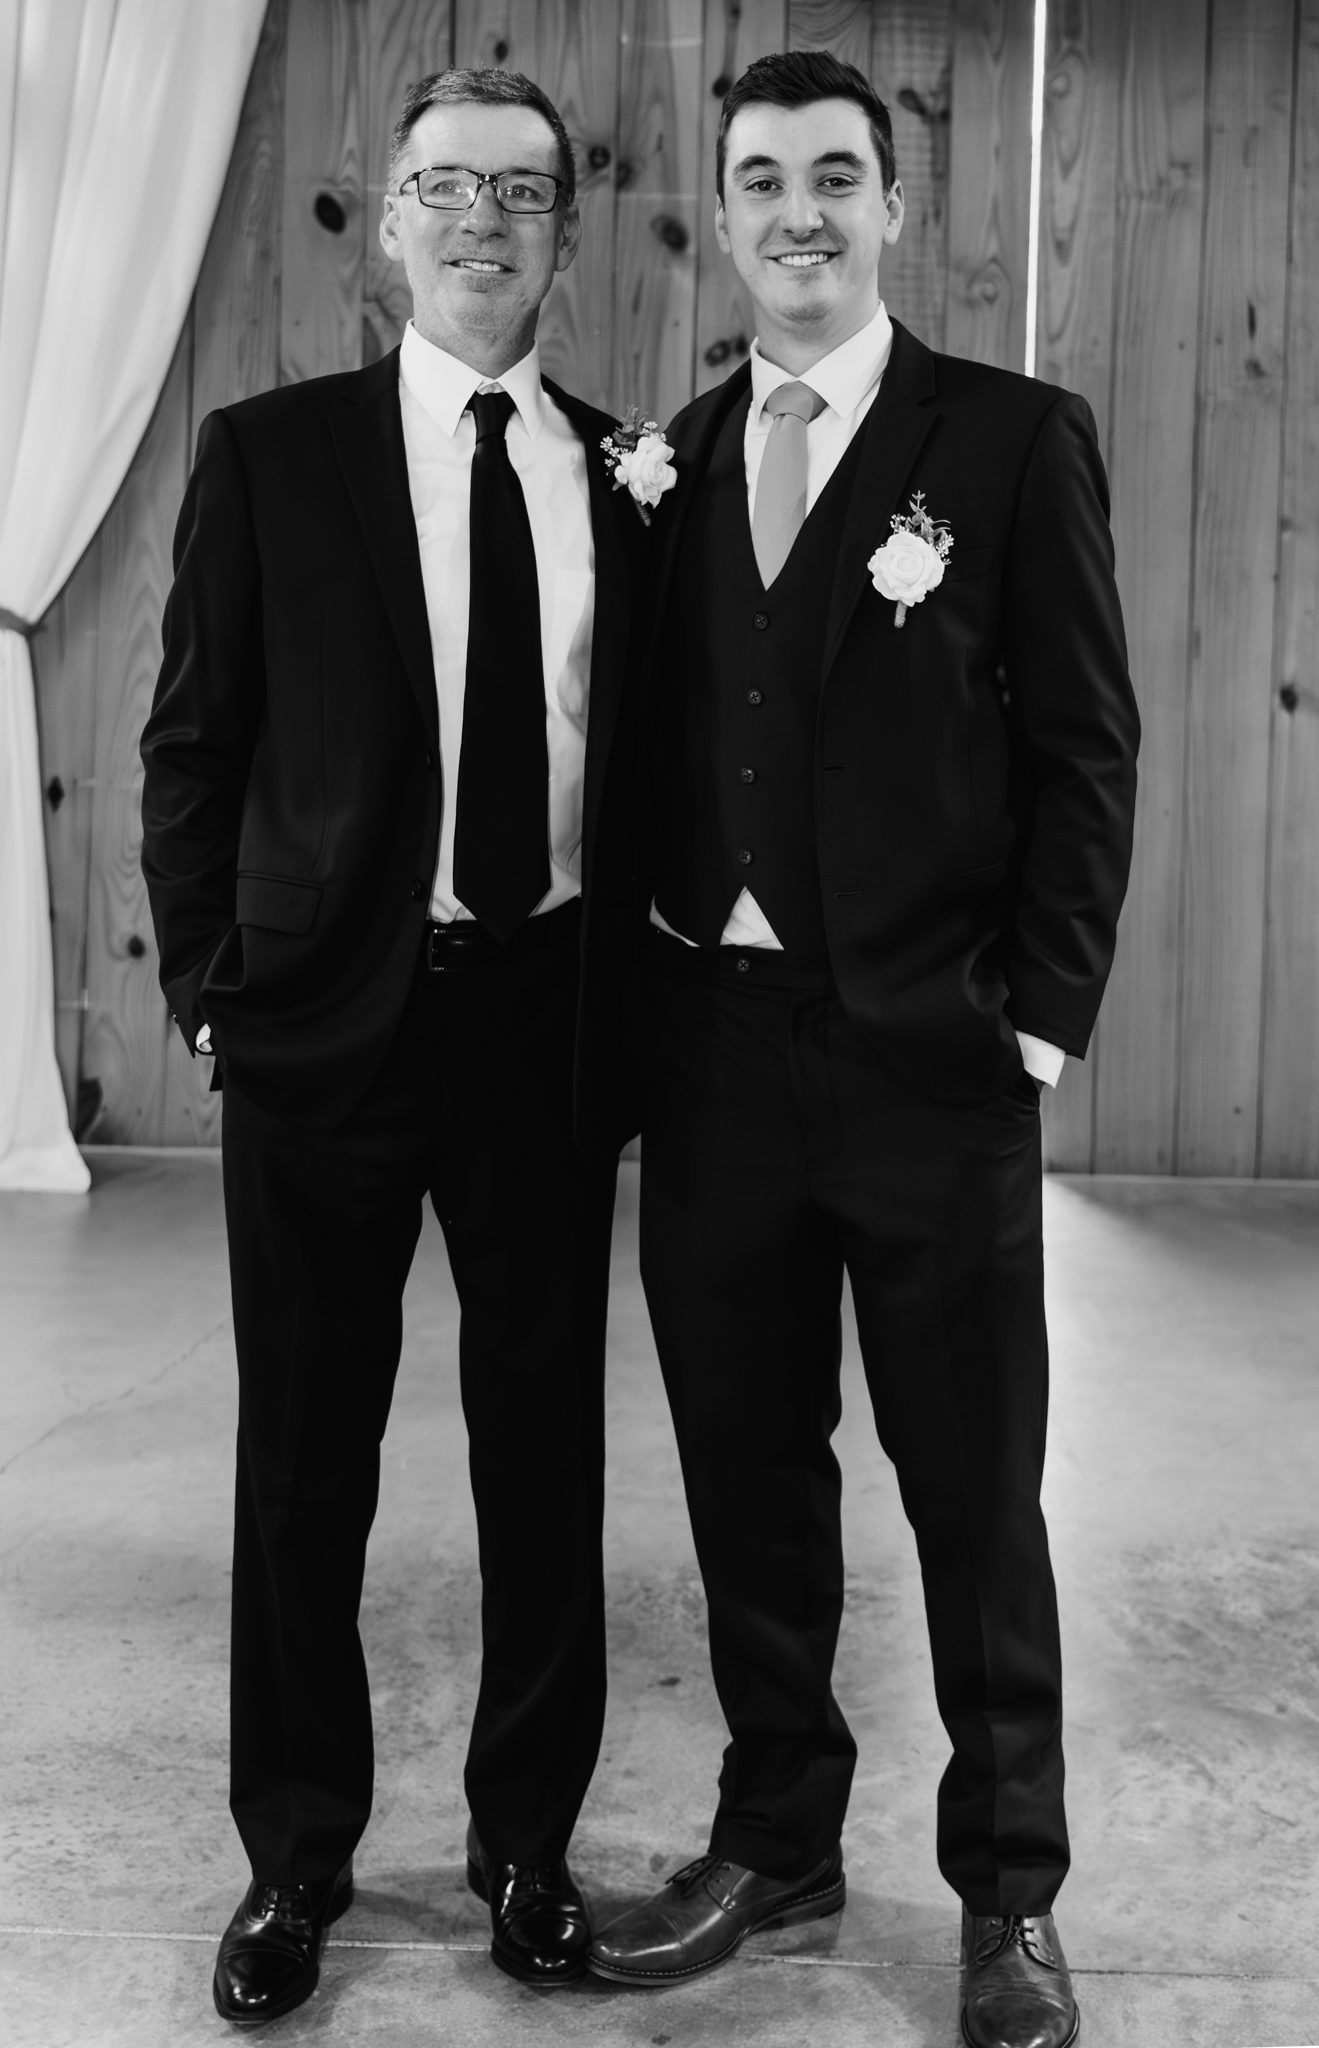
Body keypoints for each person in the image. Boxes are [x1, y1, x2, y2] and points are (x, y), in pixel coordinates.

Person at [586, 50, 1138, 2048]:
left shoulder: (1004, 440)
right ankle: (776, 1838)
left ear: (891, 208)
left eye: (834, 174)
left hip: (932, 1065)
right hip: (717, 1058)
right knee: (747, 1480)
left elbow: (1084, 752)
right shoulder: (663, 462)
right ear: (722, 216)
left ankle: (1008, 1891)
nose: (797, 211)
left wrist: (1032, 1032)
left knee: (970, 1498)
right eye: (760, 179)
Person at [141, 65, 645, 2026]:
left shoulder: (633, 474)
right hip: (323, 1028)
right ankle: (294, 1856)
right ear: (390, 218)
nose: (480, 222)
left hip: (545, 1021)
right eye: (446, 186)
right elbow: (194, 744)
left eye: (520, 192)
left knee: (542, 1457)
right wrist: (212, 981)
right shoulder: (269, 455)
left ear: (564, 234)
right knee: (302, 1463)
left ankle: (527, 1846)